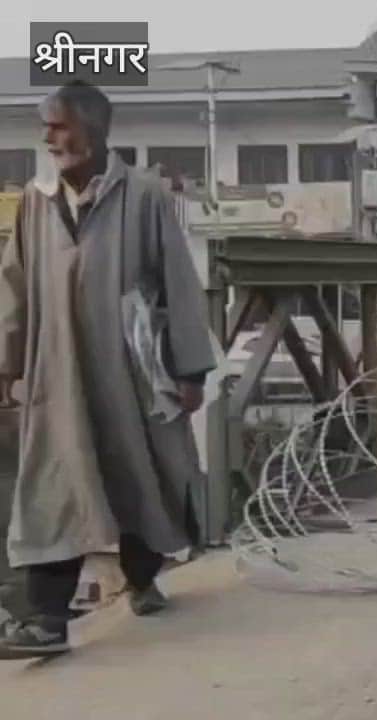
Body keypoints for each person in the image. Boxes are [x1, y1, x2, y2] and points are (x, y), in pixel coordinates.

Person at [0, 80, 216, 658]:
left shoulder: (143, 197)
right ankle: (48, 620)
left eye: (59, 125)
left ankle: (141, 578)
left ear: (92, 132)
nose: (48, 138)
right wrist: (6, 364)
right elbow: (13, 288)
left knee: (135, 475)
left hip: (128, 372)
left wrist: (191, 370)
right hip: (56, 371)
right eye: (45, 126)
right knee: (53, 487)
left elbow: (178, 283)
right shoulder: (36, 202)